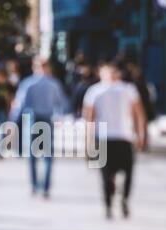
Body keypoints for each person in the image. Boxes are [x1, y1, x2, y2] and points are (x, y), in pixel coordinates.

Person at [83, 64, 147, 220]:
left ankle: (109, 204)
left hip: (106, 137)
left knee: (106, 174)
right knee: (127, 172)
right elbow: (139, 114)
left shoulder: (95, 91)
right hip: (122, 137)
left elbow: (89, 119)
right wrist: (141, 135)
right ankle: (121, 199)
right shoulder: (127, 89)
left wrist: (87, 143)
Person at [13, 57, 69, 199]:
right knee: (48, 155)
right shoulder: (54, 84)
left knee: (32, 155)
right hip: (47, 119)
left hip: (32, 120)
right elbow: (62, 104)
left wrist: (13, 121)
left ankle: (34, 185)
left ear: (34, 67)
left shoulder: (28, 84)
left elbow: (20, 105)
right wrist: (60, 117)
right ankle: (46, 188)